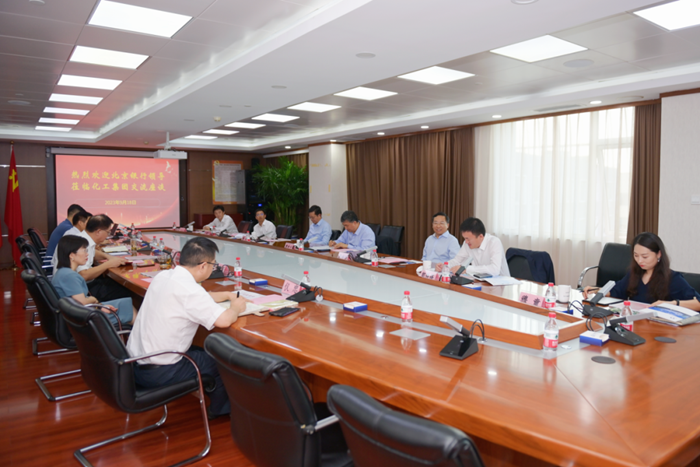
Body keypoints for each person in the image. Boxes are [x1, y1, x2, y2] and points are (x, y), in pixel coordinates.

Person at [126, 237, 249, 419]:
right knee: (221, 360)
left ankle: (212, 396)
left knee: (201, 351)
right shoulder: (190, 291)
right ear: (203, 265)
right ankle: (221, 411)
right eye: (213, 264)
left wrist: (226, 295)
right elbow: (223, 320)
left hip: (134, 364)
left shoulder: (164, 276)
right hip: (161, 372)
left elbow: (196, 297)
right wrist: (236, 308)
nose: (213, 268)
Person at [584, 232, 700, 310]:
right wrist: (595, 290)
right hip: (636, 324)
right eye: (636, 255)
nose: (639, 261)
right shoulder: (635, 273)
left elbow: (698, 303)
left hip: (660, 329)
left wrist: (671, 304)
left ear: (658, 254)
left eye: (645, 257)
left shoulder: (672, 278)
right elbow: (616, 291)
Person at [51, 236, 136, 327]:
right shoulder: (69, 276)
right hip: (83, 318)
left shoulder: (63, 272)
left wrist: (100, 305)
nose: (87, 254)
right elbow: (82, 302)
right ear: (72, 255)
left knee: (125, 303)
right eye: (84, 250)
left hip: (81, 312)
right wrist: (94, 300)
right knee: (127, 306)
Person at [76, 214, 131, 301]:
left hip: (83, 285)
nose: (108, 236)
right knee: (126, 290)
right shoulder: (82, 243)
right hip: (82, 289)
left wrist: (109, 257)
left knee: (115, 283)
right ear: (98, 231)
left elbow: (93, 253)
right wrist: (108, 264)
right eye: (108, 232)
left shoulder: (83, 238)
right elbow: (83, 275)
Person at [436, 217, 510, 277]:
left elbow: (495, 269)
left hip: (501, 284)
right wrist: (445, 266)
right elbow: (457, 261)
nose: (466, 241)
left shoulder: (494, 242)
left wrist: (466, 269)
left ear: (480, 236)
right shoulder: (467, 243)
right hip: (481, 281)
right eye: (465, 238)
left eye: (468, 239)